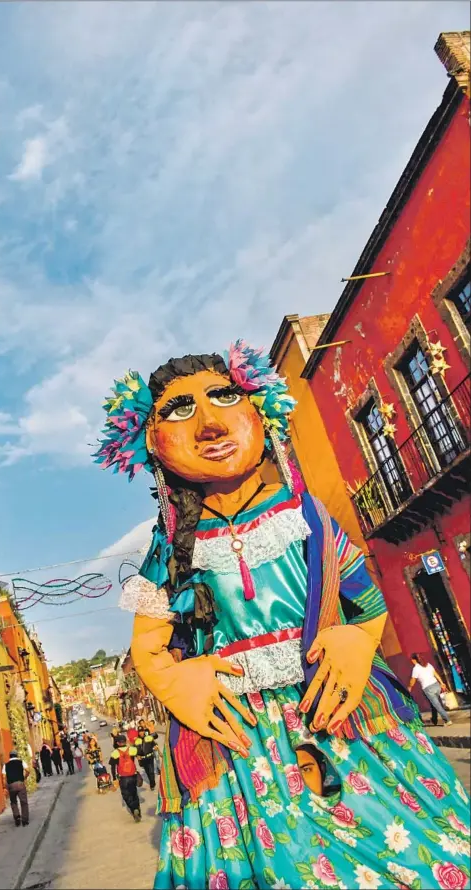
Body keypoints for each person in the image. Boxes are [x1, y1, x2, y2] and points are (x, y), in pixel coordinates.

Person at [96, 344, 471, 888]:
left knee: (413, 855)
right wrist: (175, 678)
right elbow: (147, 644)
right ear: (151, 442)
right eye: (178, 411)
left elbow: (365, 601)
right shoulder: (164, 551)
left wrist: (354, 641)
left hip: (338, 714)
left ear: (258, 411)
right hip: (240, 743)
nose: (208, 424)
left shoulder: (308, 516)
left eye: (224, 397)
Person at [409, 653, 453, 727]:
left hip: (428, 689)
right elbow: (435, 674)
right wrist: (442, 683)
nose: (411, 661)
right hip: (436, 685)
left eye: (412, 660)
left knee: (437, 705)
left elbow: (412, 681)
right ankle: (434, 719)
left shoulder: (416, 668)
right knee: (434, 703)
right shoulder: (428, 664)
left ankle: (447, 720)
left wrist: (409, 687)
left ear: (414, 660)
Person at [109, 733, 142, 822]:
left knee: (126, 795)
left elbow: (112, 767)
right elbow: (140, 752)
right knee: (134, 793)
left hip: (123, 778)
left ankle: (133, 808)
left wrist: (114, 779)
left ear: (118, 743)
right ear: (125, 741)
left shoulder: (115, 753)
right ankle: (137, 810)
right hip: (133, 775)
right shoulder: (132, 749)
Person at [2, 750, 30, 827]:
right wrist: (24, 777)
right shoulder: (21, 762)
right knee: (24, 802)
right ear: (16, 755)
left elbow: (4, 777)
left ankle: (17, 816)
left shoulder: (6, 765)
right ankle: (25, 820)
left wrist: (5, 787)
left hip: (11, 785)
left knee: (13, 802)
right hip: (20, 784)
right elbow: (28, 770)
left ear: (10, 756)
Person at [135, 725, 159, 790]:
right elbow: (134, 750)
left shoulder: (149, 738)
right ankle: (151, 781)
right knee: (148, 772)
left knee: (151, 771)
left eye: (142, 731)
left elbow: (154, 744)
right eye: (140, 731)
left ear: (144, 731)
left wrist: (156, 747)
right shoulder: (136, 740)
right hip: (143, 759)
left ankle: (152, 784)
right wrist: (136, 756)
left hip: (150, 757)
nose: (141, 733)